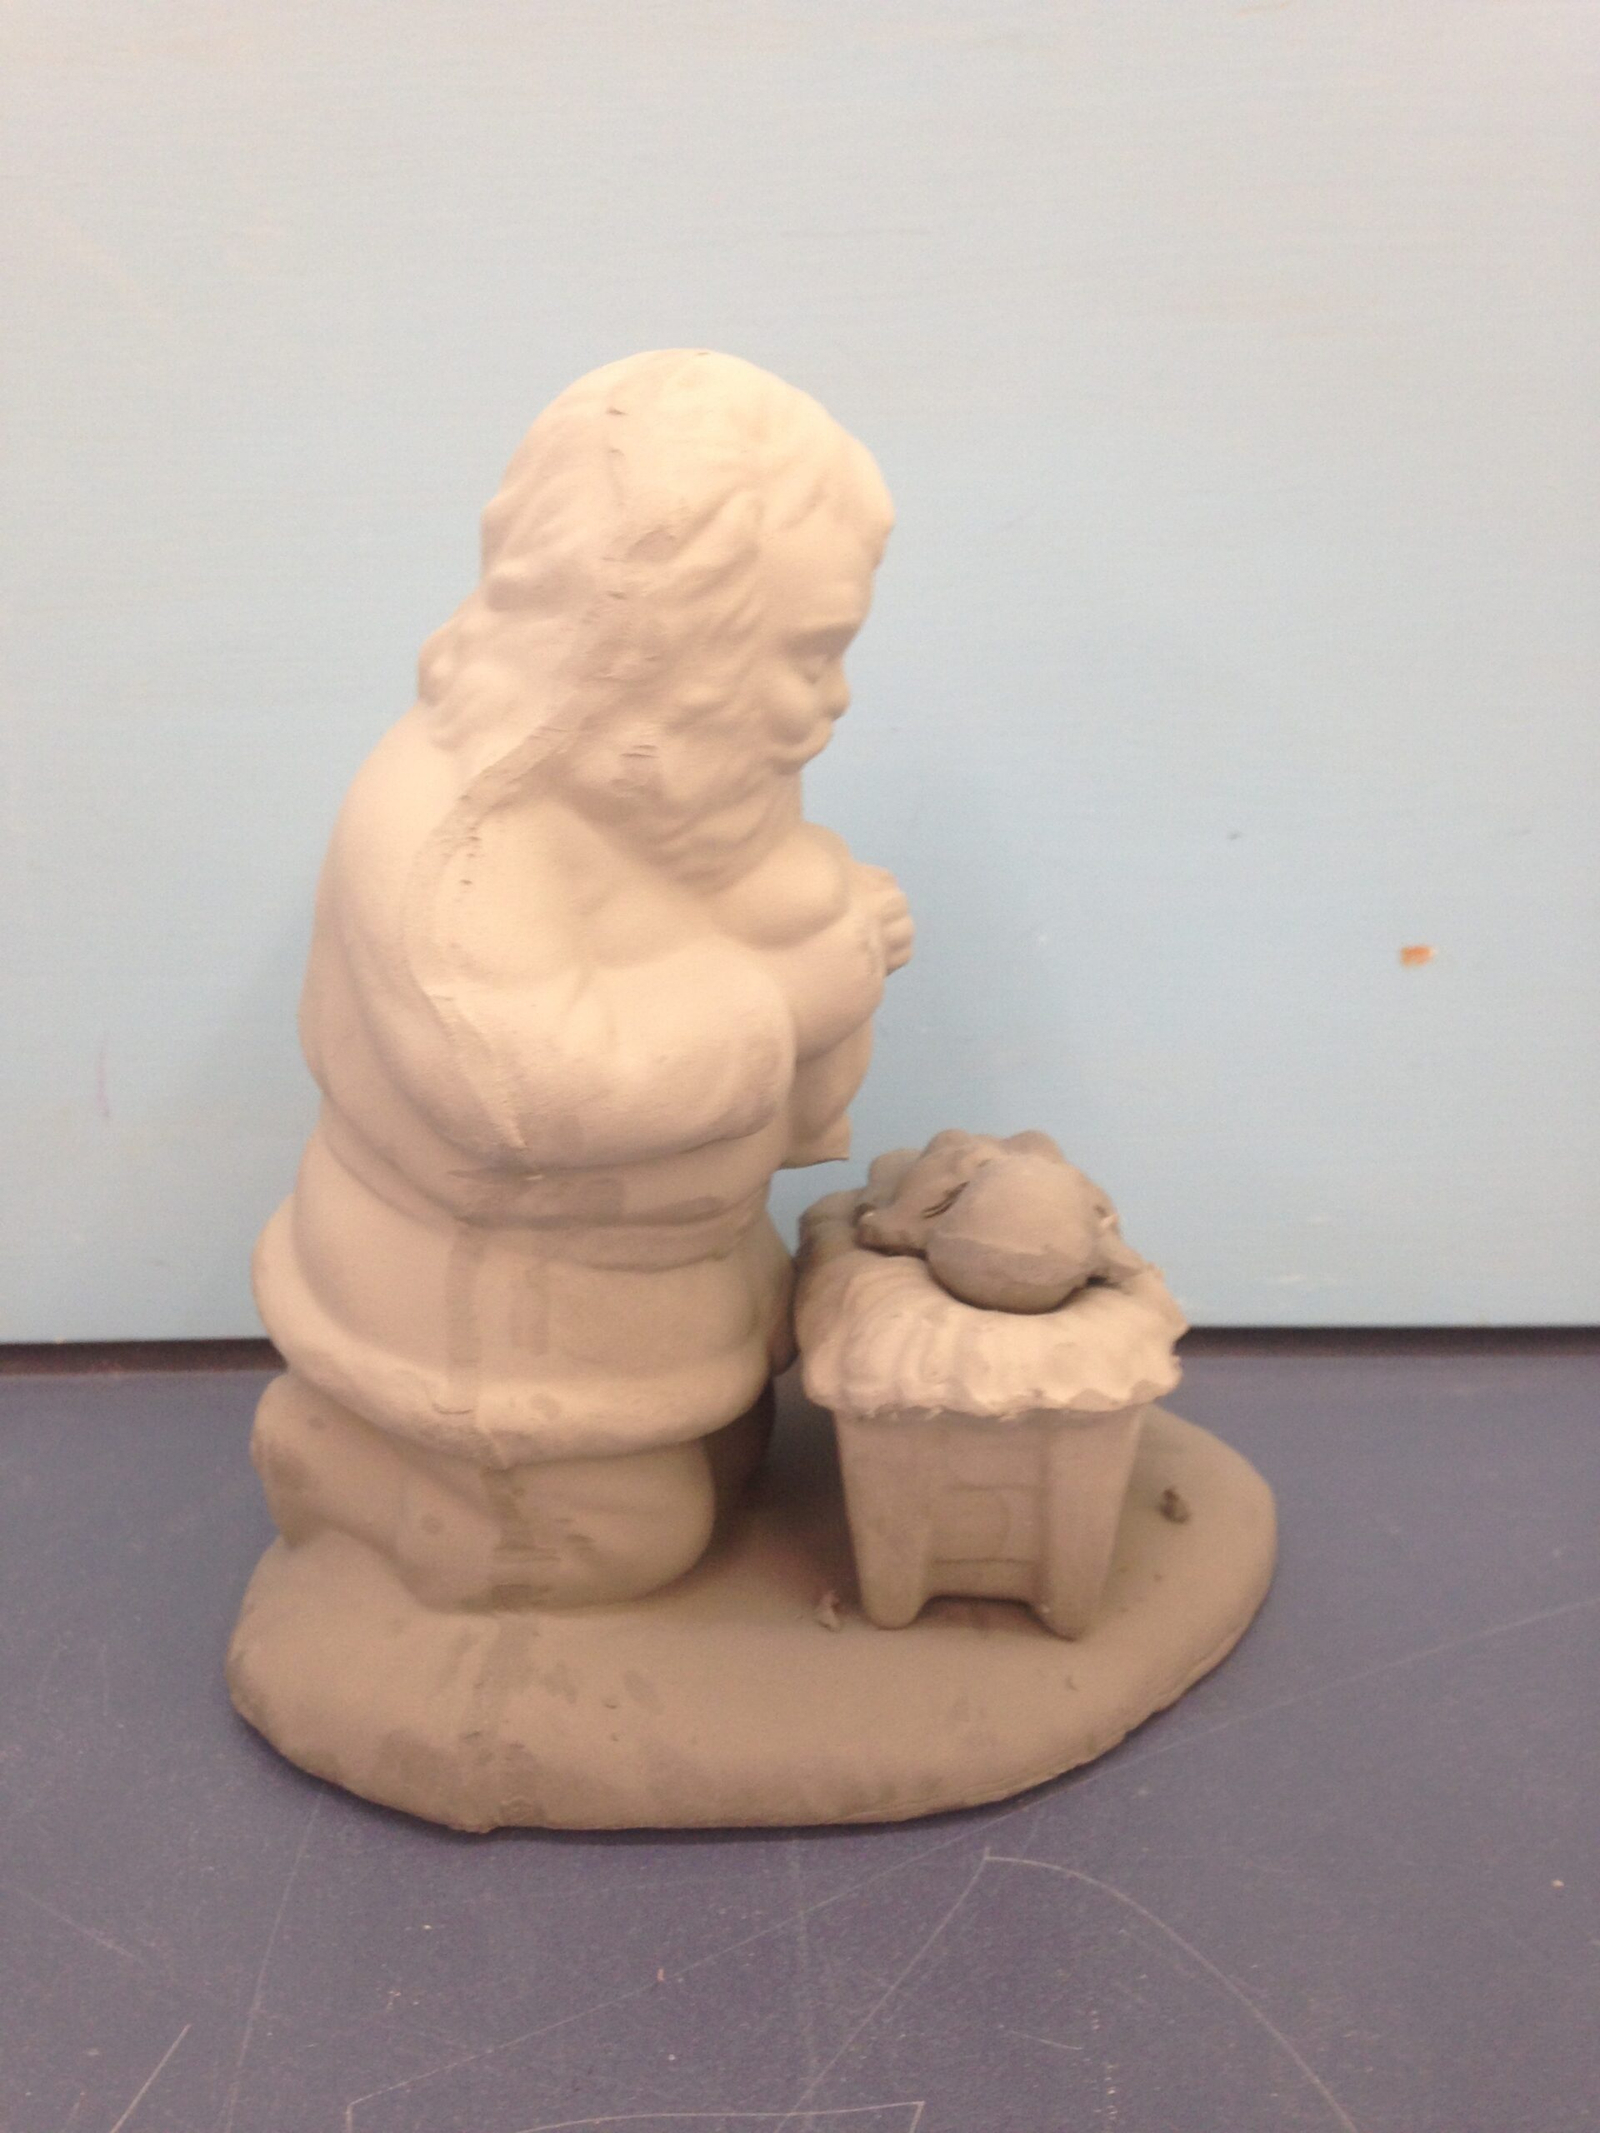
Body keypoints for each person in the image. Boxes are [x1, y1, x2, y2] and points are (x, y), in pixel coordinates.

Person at [250, 351, 913, 1609]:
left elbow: (726, 901)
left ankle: (592, 1459)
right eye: (807, 655)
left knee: (735, 1458)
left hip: (648, 1289)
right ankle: (357, 1462)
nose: (833, 699)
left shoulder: (669, 774)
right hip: (479, 1314)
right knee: (627, 1545)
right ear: (659, 642)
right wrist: (787, 1000)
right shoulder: (452, 835)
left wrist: (830, 914)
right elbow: (531, 1085)